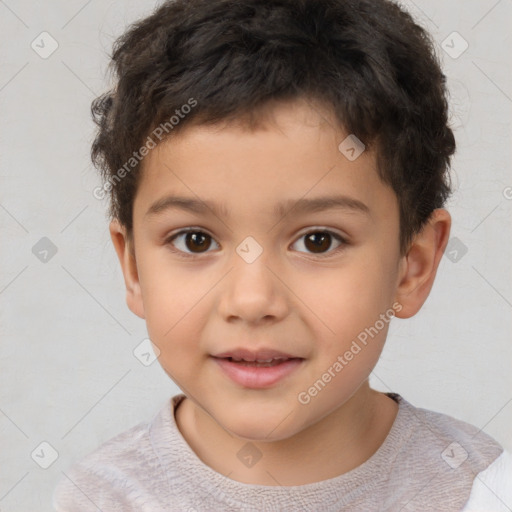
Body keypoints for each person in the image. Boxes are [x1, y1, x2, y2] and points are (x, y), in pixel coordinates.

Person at [53, 0, 512, 510]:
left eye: (318, 240)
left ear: (413, 265)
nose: (252, 301)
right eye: (195, 240)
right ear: (134, 267)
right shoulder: (100, 499)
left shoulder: (477, 486)